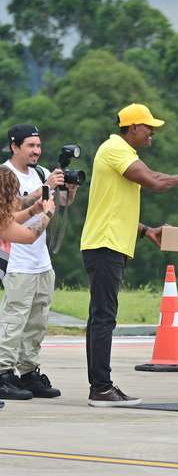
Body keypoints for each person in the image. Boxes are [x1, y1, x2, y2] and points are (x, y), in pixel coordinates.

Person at [80, 103, 178, 407]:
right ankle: (101, 388)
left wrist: (146, 230)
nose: (152, 134)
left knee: (100, 317)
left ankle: (101, 385)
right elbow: (155, 181)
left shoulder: (122, 152)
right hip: (105, 246)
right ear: (132, 128)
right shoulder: (115, 148)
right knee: (103, 318)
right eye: (148, 128)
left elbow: (117, 207)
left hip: (109, 244)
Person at [0, 124, 76, 402]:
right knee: (14, 319)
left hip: (41, 260)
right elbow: (7, 211)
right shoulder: (6, 174)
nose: (36, 151)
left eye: (39, 146)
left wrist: (68, 187)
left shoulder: (42, 172)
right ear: (14, 146)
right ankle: (3, 372)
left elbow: (62, 202)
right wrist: (41, 193)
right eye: (30, 146)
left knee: (37, 320)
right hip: (17, 260)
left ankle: (29, 371)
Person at [0, 162, 56, 402]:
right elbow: (28, 235)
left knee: (34, 319)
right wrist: (48, 213)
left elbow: (13, 217)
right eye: (14, 195)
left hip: (36, 266)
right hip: (18, 269)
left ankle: (23, 373)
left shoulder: (5, 214)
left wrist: (34, 210)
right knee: (14, 319)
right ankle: (3, 377)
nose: (17, 201)